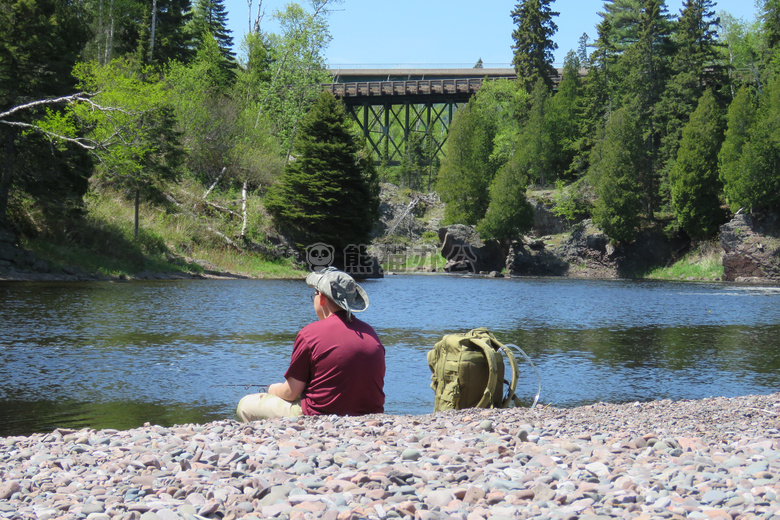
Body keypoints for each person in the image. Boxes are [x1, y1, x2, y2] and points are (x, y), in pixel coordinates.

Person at [236, 267, 386, 420]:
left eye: (314, 294)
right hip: (370, 415)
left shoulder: (310, 333)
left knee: (246, 404)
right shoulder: (371, 334)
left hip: (319, 416)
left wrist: (272, 389)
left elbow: (291, 392)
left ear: (321, 298)